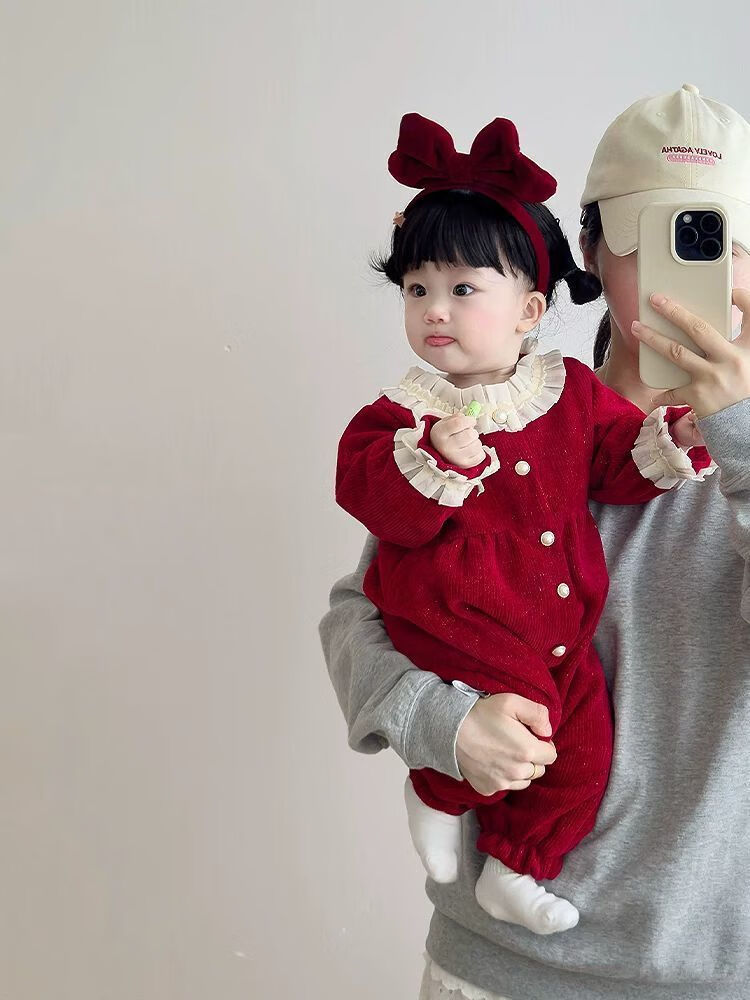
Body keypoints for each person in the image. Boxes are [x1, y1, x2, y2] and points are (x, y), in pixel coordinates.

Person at [320, 84, 750, 999]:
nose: (688, 272)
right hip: (493, 968)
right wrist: (441, 724)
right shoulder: (487, 413)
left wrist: (737, 434)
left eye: (720, 241)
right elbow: (365, 613)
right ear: (586, 250)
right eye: (655, 236)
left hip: (703, 973)